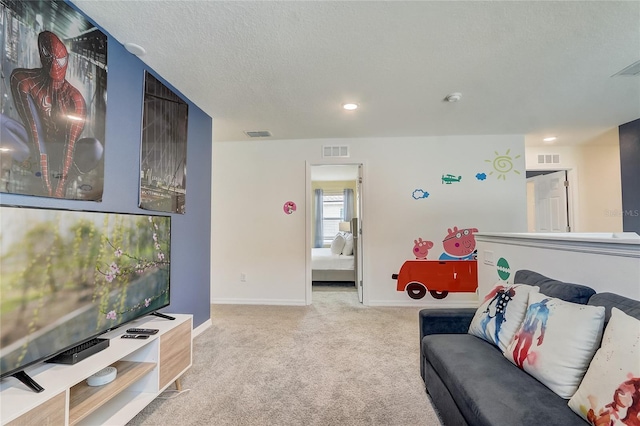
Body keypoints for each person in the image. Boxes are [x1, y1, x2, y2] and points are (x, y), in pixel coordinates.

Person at [8, 30, 100, 197]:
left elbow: (69, 144)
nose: (55, 65)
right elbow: (34, 129)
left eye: (60, 60)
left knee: (95, 148)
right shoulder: (23, 80)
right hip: (32, 147)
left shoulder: (75, 99)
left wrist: (58, 187)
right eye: (50, 58)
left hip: (61, 154)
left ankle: (64, 177)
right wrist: (46, 181)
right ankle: (33, 168)